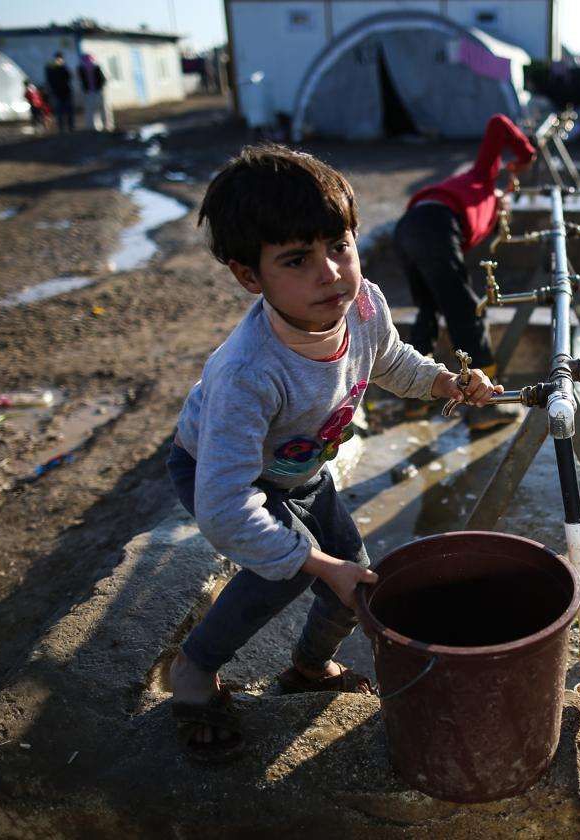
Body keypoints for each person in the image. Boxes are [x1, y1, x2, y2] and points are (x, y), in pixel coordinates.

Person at [165, 144, 502, 761]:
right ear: (249, 276)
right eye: (297, 259)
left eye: (339, 246)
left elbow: (390, 361)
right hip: (228, 478)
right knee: (283, 575)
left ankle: (310, 666)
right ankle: (192, 674)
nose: (331, 273)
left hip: (301, 470)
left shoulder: (362, 303)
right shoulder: (248, 373)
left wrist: (448, 384)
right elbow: (223, 507)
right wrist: (313, 562)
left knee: (357, 576)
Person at [393, 113, 535, 431]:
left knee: (429, 309)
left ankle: (415, 401)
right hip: (434, 224)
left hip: (409, 230)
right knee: (466, 312)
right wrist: (524, 157)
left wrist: (500, 212)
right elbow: (498, 123)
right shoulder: (483, 177)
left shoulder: (482, 215)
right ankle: (484, 408)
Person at [77, 53, 112, 132]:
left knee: (103, 108)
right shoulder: (81, 70)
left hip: (99, 91)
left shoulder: (98, 67)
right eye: (86, 61)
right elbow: (81, 80)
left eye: (89, 60)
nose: (88, 63)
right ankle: (92, 127)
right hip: (88, 92)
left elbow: (105, 79)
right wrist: (84, 90)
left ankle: (107, 125)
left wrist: (101, 87)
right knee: (91, 110)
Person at [44, 52, 74, 132]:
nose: (59, 60)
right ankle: (61, 128)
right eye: (58, 58)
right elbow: (49, 79)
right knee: (59, 111)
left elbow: (69, 77)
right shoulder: (51, 68)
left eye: (60, 58)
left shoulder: (64, 67)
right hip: (57, 92)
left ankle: (70, 127)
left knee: (68, 110)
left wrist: (63, 67)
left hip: (66, 91)